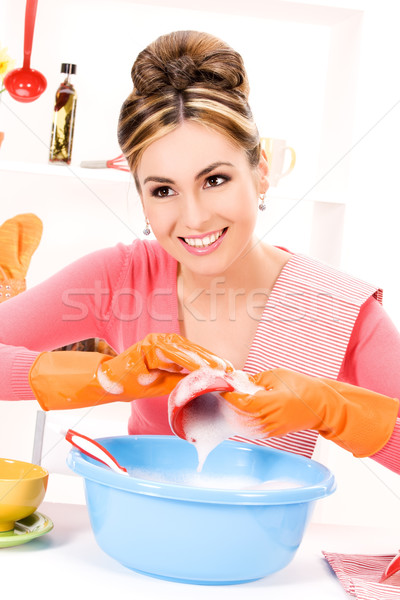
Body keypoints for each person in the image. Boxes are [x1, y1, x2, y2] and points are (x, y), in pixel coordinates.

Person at [0, 30, 399, 473]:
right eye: (164, 189)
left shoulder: (338, 308)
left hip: (265, 537)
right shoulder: (123, 276)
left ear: (261, 173)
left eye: (215, 180)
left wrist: (334, 409)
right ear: (142, 198)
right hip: (136, 532)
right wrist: (102, 379)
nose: (193, 218)